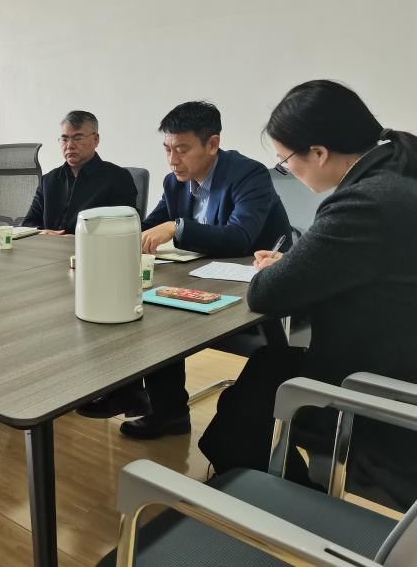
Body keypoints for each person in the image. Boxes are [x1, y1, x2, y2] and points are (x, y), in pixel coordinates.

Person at [199, 80, 417, 511]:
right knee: (266, 366)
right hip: (396, 361)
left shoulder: (365, 202)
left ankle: (282, 511)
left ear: (317, 152)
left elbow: (266, 294)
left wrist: (276, 269)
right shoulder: (400, 171)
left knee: (239, 419)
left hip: (378, 392)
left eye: (285, 162)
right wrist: (300, 263)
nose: (287, 172)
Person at [78, 101, 291, 441]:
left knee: (159, 314)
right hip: (202, 276)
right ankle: (134, 393)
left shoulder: (248, 175)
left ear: (212, 144)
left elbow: (240, 237)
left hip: (250, 283)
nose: (172, 160)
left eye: (182, 149)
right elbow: (150, 227)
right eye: (167, 149)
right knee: (138, 297)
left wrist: (177, 227)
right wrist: (110, 242)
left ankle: (164, 409)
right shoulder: (174, 182)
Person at [22, 110, 137, 234]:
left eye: (78, 138)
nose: (70, 145)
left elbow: (125, 230)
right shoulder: (48, 180)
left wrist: (76, 239)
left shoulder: (118, 178)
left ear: (96, 139)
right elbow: (28, 225)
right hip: (48, 245)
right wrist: (43, 233)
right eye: (64, 139)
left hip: (91, 246)